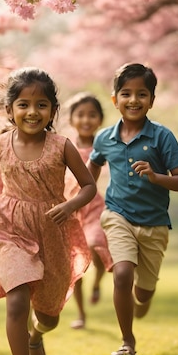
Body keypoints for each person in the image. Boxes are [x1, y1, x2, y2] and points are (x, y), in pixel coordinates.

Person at [0, 67, 96, 355]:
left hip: (52, 230)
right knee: (16, 303)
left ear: (53, 111)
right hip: (9, 228)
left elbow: (88, 186)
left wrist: (70, 207)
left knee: (47, 315)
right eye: (24, 104)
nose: (32, 112)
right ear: (10, 110)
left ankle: (36, 335)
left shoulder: (62, 146)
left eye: (41, 105)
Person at [87, 63, 178, 355]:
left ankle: (144, 297)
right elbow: (91, 169)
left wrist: (157, 177)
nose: (134, 100)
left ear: (152, 100)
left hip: (155, 224)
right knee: (121, 274)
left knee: (142, 293)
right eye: (126, 94)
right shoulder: (104, 138)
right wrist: (82, 195)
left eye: (141, 94)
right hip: (117, 215)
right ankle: (127, 343)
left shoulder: (162, 137)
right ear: (114, 99)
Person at [63, 92, 113, 330]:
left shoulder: (104, 144)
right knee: (76, 264)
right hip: (71, 207)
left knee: (95, 246)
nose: (86, 120)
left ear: (100, 119)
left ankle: (98, 282)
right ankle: (81, 314)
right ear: (71, 119)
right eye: (80, 115)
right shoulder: (64, 145)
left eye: (92, 115)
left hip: (94, 206)